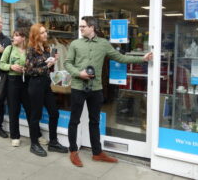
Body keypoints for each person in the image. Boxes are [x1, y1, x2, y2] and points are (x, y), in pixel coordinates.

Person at [64, 16, 153, 167]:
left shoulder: (104, 44)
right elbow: (67, 63)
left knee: (95, 121)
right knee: (74, 121)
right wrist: (79, 73)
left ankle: (97, 153)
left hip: (96, 88)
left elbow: (120, 58)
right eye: (80, 26)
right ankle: (73, 151)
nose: (81, 29)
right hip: (78, 87)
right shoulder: (75, 44)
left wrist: (142, 59)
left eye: (83, 26)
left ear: (92, 27)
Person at [25, 23, 68, 157]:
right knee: (35, 115)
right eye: (42, 32)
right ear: (36, 35)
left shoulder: (46, 48)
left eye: (45, 32)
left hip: (45, 84)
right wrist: (47, 65)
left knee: (54, 113)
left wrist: (53, 63)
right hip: (35, 85)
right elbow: (29, 70)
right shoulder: (31, 49)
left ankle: (53, 142)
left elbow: (48, 69)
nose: (45, 34)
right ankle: (34, 144)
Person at [0, 30, 29, 146]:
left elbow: (32, 64)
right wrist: (11, 66)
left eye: (16, 36)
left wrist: (27, 69)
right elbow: (1, 64)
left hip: (26, 81)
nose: (13, 38)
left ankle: (36, 135)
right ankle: (15, 136)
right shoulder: (9, 49)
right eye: (13, 36)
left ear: (23, 38)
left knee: (30, 109)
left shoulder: (29, 50)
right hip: (12, 81)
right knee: (13, 110)